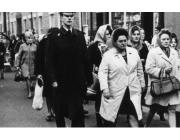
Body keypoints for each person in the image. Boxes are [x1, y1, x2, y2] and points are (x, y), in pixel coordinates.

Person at [46, 12, 93, 127]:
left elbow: (85, 59)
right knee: (60, 113)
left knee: (78, 115)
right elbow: (49, 61)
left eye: (71, 16)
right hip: (60, 83)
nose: (69, 18)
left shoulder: (79, 36)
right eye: (66, 16)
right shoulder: (54, 37)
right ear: (61, 17)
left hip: (76, 83)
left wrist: (89, 79)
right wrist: (53, 80)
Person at [98, 28, 145, 127]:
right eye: (120, 41)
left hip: (132, 90)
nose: (123, 43)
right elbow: (102, 73)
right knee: (111, 120)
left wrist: (142, 83)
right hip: (115, 91)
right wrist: (105, 88)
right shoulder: (108, 55)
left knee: (134, 116)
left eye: (125, 40)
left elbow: (139, 69)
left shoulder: (133, 52)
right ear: (115, 42)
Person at [145, 29, 180, 127]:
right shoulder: (153, 52)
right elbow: (148, 69)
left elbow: (176, 69)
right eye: (163, 39)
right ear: (159, 40)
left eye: (168, 39)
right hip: (160, 86)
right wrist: (163, 71)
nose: (166, 41)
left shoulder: (174, 52)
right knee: (154, 108)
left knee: (172, 109)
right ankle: (146, 125)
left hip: (172, 86)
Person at [87, 24, 113, 127]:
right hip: (98, 77)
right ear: (101, 34)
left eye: (110, 34)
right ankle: (99, 121)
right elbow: (88, 61)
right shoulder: (93, 47)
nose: (108, 36)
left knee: (108, 98)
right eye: (106, 34)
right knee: (98, 99)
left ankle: (107, 119)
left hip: (110, 77)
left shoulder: (112, 46)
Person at [35, 28, 60, 122]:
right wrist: (39, 74)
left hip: (56, 73)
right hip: (47, 73)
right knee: (49, 94)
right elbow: (38, 59)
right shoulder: (43, 43)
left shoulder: (58, 43)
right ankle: (50, 112)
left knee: (53, 94)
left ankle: (54, 111)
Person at [129, 25, 149, 106]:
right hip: (130, 74)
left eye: (138, 34)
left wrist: (141, 60)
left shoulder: (143, 46)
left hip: (141, 73)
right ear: (131, 35)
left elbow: (148, 59)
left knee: (140, 94)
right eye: (134, 34)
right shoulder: (128, 46)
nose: (136, 36)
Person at [16, 31, 37, 99]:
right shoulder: (22, 46)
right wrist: (17, 65)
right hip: (24, 64)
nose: (30, 39)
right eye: (28, 37)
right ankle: (29, 93)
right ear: (25, 38)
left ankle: (32, 86)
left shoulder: (35, 46)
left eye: (31, 37)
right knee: (27, 78)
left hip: (33, 63)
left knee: (33, 78)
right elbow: (19, 56)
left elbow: (38, 56)